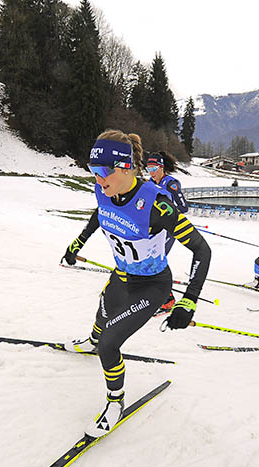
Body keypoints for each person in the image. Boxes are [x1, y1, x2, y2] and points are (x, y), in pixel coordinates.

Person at [65, 129, 211, 438]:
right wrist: (76, 245)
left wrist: (189, 300)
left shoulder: (157, 206)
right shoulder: (102, 190)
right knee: (100, 317)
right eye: (92, 171)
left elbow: (201, 248)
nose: (97, 178)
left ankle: (114, 403)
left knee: (110, 342)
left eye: (103, 171)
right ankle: (90, 343)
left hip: (151, 286)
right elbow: (99, 215)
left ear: (126, 167)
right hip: (122, 275)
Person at [146, 152, 189, 315]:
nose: (151, 171)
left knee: (156, 260)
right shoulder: (149, 183)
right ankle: (155, 293)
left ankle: (168, 300)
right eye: (149, 168)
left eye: (154, 168)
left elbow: (183, 207)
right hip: (155, 228)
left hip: (169, 229)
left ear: (162, 167)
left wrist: (167, 209)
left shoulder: (171, 184)